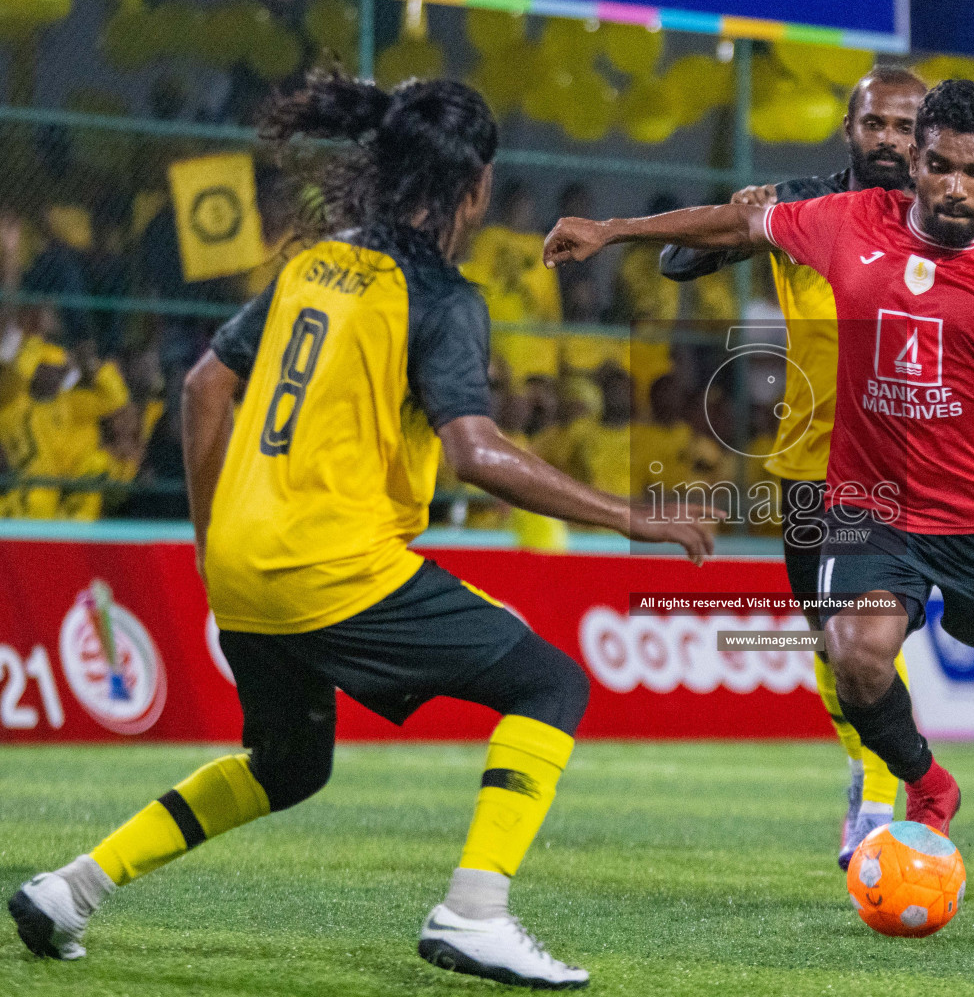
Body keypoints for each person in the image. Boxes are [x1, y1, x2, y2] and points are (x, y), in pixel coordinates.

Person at [8, 69, 712, 989]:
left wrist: (214, 536)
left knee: (287, 763)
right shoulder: (443, 298)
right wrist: (633, 515)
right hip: (334, 566)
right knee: (550, 684)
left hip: (242, 562)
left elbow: (202, 388)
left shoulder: (315, 264)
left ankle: (71, 888)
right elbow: (478, 455)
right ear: (480, 183)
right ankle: (476, 910)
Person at [544, 78, 974, 910]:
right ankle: (924, 782)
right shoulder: (849, 223)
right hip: (868, 507)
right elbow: (733, 224)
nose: (953, 188)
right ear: (917, 162)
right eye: (938, 166)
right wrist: (611, 230)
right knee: (853, 660)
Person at [657, 65, 928, 868]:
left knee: (869, 638)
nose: (890, 140)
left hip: (897, 471)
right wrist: (742, 214)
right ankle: (864, 768)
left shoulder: (942, 223)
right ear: (850, 129)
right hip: (807, 466)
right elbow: (676, 262)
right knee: (829, 644)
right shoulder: (796, 208)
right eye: (875, 124)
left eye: (907, 128)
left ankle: (885, 799)